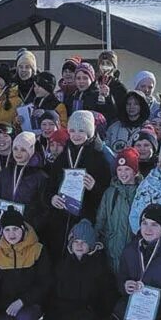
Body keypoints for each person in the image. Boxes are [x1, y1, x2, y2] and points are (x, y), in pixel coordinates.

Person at [43, 219, 118, 320]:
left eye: (84, 242)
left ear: (91, 245)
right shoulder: (62, 265)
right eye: (76, 241)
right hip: (64, 314)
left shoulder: (100, 266)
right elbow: (52, 296)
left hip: (88, 314)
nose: (79, 245)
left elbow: (107, 299)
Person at [45, 110, 113, 257]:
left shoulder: (99, 159)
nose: (76, 135)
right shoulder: (62, 157)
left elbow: (107, 193)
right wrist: (52, 198)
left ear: (90, 132)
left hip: (85, 218)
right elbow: (50, 186)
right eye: (73, 130)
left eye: (81, 130)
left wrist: (94, 187)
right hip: (61, 218)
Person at [95, 148, 141, 276]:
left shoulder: (141, 192)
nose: (123, 173)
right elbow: (101, 219)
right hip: (111, 247)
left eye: (127, 169)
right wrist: (97, 238)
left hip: (132, 250)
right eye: (119, 169)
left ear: (135, 171)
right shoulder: (110, 192)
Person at [0, 131, 48, 237]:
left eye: (23, 150)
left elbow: (44, 208)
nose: (18, 153)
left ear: (31, 150)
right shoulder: (4, 173)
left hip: (27, 228)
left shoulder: (40, 177)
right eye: (15, 149)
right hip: (5, 228)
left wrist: (32, 225)